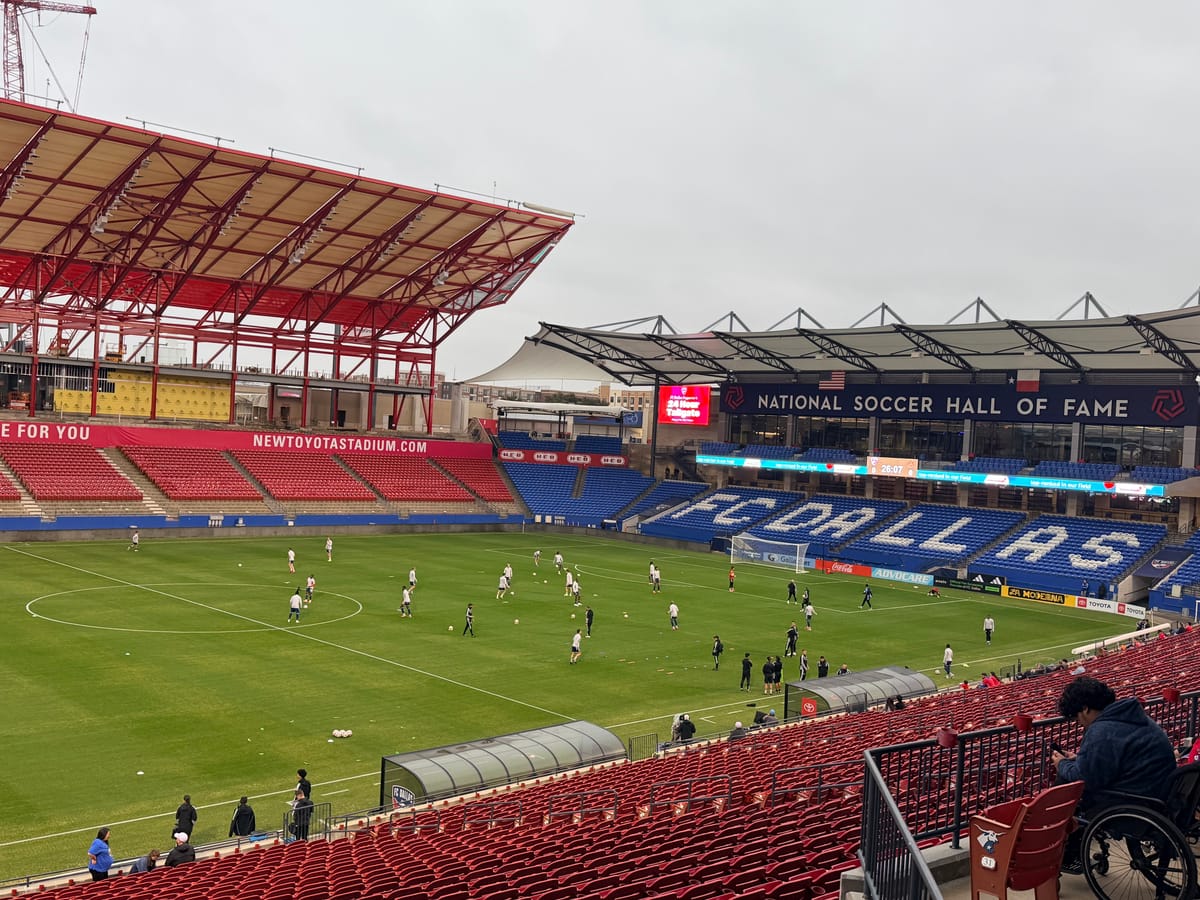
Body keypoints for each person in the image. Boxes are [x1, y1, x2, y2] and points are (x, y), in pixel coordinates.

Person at [1052, 676, 1177, 814]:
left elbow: (1084, 778)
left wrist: (1062, 763)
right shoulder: (1133, 718)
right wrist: (1079, 759)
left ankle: (1053, 824)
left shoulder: (1102, 730)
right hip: (1155, 794)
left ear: (1085, 709)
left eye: (1077, 717)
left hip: (1133, 803)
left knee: (1065, 777)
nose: (1079, 723)